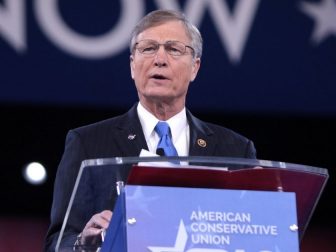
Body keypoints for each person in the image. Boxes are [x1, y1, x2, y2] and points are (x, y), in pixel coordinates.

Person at [44, 9, 256, 252]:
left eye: (174, 49)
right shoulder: (87, 143)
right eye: (148, 48)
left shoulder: (236, 150)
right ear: (133, 65)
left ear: (195, 67)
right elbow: (57, 243)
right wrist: (83, 242)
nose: (160, 59)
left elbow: (250, 236)